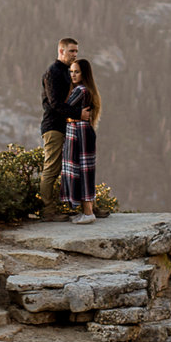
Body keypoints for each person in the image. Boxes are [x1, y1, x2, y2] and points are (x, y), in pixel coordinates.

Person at [39, 38, 78, 217]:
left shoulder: (66, 72)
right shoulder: (53, 72)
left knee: (74, 167)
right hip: (54, 126)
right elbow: (54, 103)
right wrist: (78, 113)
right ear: (61, 51)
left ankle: (78, 206)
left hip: (66, 126)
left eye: (76, 51)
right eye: (71, 51)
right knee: (52, 169)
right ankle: (47, 210)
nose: (75, 54)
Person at [61, 56, 101, 222]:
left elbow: (63, 109)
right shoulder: (86, 90)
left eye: (76, 72)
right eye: (71, 72)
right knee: (84, 169)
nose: (73, 75)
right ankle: (87, 211)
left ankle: (88, 213)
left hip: (79, 134)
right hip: (82, 131)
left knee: (83, 170)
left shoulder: (80, 91)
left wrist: (70, 118)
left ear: (84, 74)